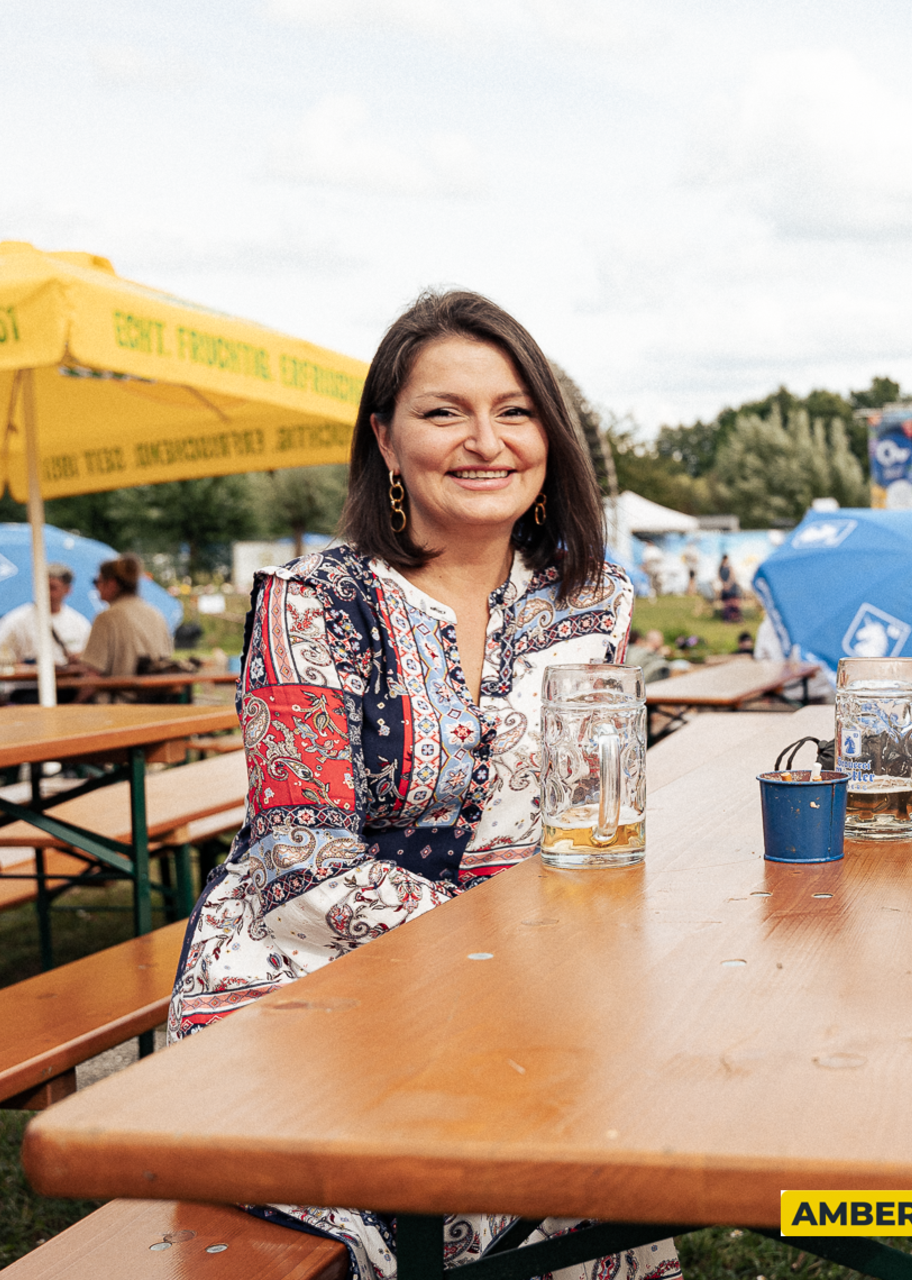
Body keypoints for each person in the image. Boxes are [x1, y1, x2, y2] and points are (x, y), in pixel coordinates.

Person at [166, 290, 679, 1280]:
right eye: (445, 412)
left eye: (515, 410)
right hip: (303, 989)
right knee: (451, 1209)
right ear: (386, 442)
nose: (486, 440)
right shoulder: (316, 601)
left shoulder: (592, 598)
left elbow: (591, 816)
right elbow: (299, 860)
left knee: (607, 1192)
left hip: (523, 992)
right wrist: (509, 960)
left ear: (550, 437)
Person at [79, 554, 174, 699]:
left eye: (96, 581)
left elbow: (93, 675)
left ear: (111, 584)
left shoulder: (107, 617)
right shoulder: (155, 614)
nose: (96, 587)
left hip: (118, 705)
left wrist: (75, 703)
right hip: (154, 701)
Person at [0, 563, 93, 666]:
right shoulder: (16, 620)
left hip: (68, 683)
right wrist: (29, 666)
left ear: (67, 590)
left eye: (52, 587)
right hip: (27, 684)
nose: (46, 592)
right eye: (42, 586)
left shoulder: (79, 623)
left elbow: (91, 660)